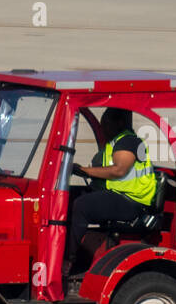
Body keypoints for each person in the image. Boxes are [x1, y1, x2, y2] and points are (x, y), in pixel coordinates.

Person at [67, 108, 156, 266]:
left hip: (132, 201)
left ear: (119, 123)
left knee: (82, 206)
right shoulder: (115, 143)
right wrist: (84, 172)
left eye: (106, 124)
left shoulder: (128, 142)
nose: (103, 128)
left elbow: (119, 170)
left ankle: (68, 259)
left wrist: (85, 171)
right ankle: (65, 246)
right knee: (66, 197)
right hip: (118, 193)